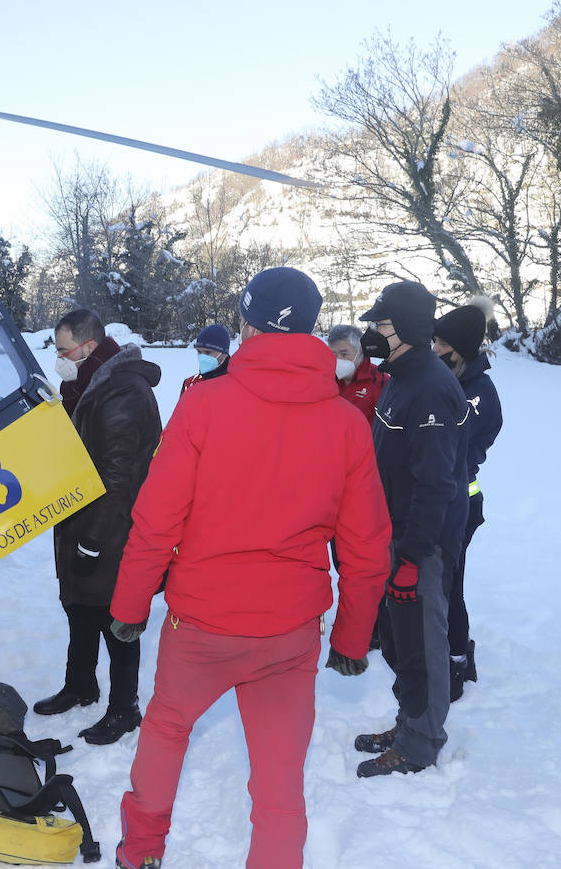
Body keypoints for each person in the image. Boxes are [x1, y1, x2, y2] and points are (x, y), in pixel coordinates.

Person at [108, 267, 391, 869]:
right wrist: (352, 636)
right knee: (280, 781)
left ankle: (140, 855)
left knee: (166, 730)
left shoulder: (203, 403)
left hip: (203, 624)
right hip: (289, 633)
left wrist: (130, 605)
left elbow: (156, 520)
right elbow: (367, 545)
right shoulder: (346, 422)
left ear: (246, 322)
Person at [354, 281, 469, 778]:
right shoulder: (400, 376)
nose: (372, 334)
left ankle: (420, 744)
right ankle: (409, 722)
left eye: (380, 325)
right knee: (400, 644)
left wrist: (413, 556)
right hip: (393, 535)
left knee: (422, 645)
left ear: (407, 329)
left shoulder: (429, 388)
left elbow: (436, 483)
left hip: (419, 544)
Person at [37, 309, 162, 746]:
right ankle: (81, 685)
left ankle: (125, 708)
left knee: (117, 616)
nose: (59, 359)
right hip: (81, 520)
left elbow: (119, 479)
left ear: (88, 347)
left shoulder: (123, 391)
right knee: (80, 609)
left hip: (111, 528)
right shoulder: (84, 385)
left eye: (63, 350)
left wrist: (94, 539)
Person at [431, 304, 502, 701]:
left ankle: (457, 661)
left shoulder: (477, 392)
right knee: (440, 586)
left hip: (460, 505)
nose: (435, 349)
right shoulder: (450, 379)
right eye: (434, 340)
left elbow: (455, 446)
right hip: (443, 501)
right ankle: (456, 654)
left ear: (463, 349)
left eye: (443, 343)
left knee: (447, 587)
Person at [327, 322, 387, 425]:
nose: (338, 359)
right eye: (333, 354)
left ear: (360, 351)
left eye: (344, 354)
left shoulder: (380, 381)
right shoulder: (326, 380)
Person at [178, 324, 230, 395]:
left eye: (207, 352)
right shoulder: (189, 384)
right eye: (199, 352)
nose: (202, 357)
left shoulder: (235, 384)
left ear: (224, 354)